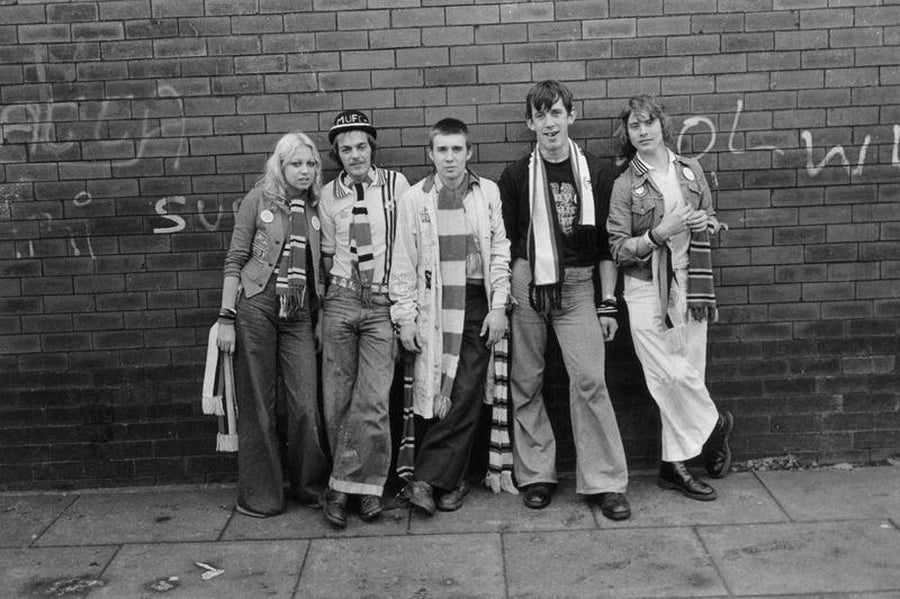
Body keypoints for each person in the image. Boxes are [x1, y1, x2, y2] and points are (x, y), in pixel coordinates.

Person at [498, 80, 630, 520]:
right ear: (529, 123)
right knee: (526, 381)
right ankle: (536, 475)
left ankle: (605, 481)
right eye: (540, 115)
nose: (549, 123)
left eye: (557, 113)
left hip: (577, 287)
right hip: (528, 284)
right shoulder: (516, 176)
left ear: (571, 116)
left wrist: (607, 301)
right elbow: (511, 242)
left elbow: (607, 247)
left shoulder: (597, 171)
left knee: (590, 380)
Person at [606, 94, 733, 501]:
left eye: (648, 123)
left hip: (691, 286)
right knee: (668, 376)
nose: (643, 132)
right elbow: (617, 248)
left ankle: (672, 466)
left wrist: (704, 223)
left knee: (689, 372)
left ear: (662, 124)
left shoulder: (690, 170)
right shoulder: (626, 183)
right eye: (634, 127)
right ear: (628, 134)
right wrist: (659, 233)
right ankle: (716, 427)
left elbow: (712, 219)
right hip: (645, 289)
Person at [390, 118, 510, 515]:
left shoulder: (486, 192)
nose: (450, 158)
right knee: (435, 393)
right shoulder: (415, 198)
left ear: (469, 152)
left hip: (476, 301)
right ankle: (451, 481)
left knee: (465, 390)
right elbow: (404, 262)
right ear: (431, 154)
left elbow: (499, 252)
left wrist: (498, 305)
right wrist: (405, 317)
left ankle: (425, 479)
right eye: (442, 150)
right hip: (433, 305)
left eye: (457, 149)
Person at [216, 131, 328, 517]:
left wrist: (319, 318)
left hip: (298, 313)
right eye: (295, 163)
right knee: (259, 403)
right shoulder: (258, 199)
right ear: (280, 166)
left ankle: (309, 488)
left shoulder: (316, 207)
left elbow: (321, 271)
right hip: (256, 306)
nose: (304, 170)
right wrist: (226, 318)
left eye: (310, 163)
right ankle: (261, 497)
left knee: (304, 405)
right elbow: (235, 258)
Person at [319, 110, 410, 528]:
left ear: (372, 148)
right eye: (345, 149)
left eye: (360, 146)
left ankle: (348, 489)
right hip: (340, 298)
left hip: (380, 304)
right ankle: (358, 489)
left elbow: (409, 246)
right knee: (338, 400)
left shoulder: (396, 185)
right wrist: (323, 308)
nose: (354, 154)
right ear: (337, 154)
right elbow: (324, 256)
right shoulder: (327, 194)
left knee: (372, 400)